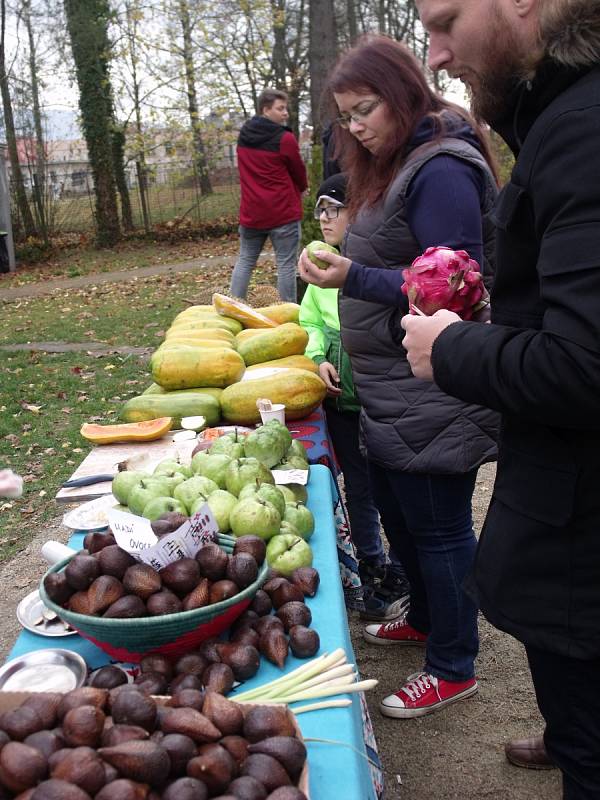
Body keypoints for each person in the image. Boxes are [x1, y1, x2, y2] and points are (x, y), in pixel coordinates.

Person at [398, 0, 600, 794]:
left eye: (447, 21)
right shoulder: (558, 115)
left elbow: (585, 365)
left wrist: (451, 347)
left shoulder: (583, 130)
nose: (438, 53)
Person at [298, 34, 500, 719]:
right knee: (408, 524)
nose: (354, 127)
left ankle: (453, 663)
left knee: (440, 529)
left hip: (433, 386)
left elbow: (457, 284)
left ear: (403, 92)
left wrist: (355, 275)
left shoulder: (440, 167)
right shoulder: (395, 162)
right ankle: (427, 621)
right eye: (345, 116)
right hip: (391, 387)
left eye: (364, 110)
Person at [299, 173, 410, 621]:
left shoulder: (383, 265)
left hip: (384, 404)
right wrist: (316, 358)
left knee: (396, 491)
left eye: (334, 208)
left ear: (361, 210)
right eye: (320, 209)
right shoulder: (320, 266)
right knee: (359, 489)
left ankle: (403, 569)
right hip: (341, 406)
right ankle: (372, 564)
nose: (325, 218)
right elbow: (307, 321)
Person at [230, 89, 308, 303]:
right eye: (280, 108)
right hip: (283, 212)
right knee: (285, 264)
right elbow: (298, 171)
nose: (285, 113)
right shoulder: (285, 138)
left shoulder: (244, 135)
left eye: (286, 108)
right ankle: (287, 313)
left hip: (252, 213)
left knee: (245, 260)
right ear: (265, 110)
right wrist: (303, 187)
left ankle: (233, 306)